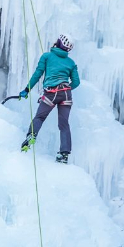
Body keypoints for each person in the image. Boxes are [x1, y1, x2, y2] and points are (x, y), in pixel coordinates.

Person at [19, 34, 81, 163]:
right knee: (64, 124)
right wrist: (66, 88)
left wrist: (26, 90)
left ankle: (31, 136)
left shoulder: (47, 56)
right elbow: (76, 82)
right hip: (66, 95)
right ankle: (64, 154)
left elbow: (37, 74)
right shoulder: (71, 63)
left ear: (59, 42)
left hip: (51, 93)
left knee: (40, 117)